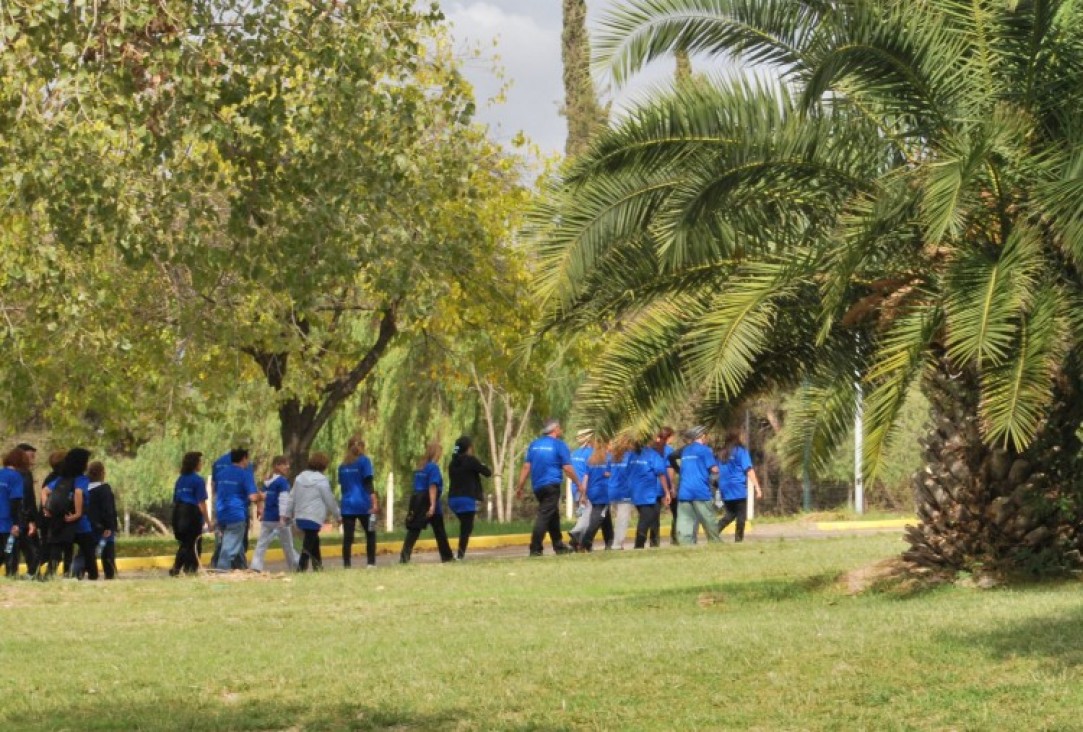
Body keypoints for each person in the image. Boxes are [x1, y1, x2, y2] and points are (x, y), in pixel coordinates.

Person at [515, 419, 583, 557]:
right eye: (560, 427)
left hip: (538, 487)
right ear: (555, 429)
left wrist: (519, 486)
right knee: (544, 515)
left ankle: (559, 546)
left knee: (553, 514)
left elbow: (527, 467)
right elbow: (567, 468)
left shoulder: (534, 444)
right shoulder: (559, 445)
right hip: (551, 485)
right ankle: (535, 547)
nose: (561, 430)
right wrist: (579, 483)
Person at [284, 452, 340, 572]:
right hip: (314, 517)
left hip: (300, 517)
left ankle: (318, 567)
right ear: (324, 466)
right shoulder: (322, 481)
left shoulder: (299, 478)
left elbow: (291, 497)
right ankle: (301, 568)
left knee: (314, 540)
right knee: (307, 546)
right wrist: (338, 516)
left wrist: (287, 514)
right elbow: (330, 500)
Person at [41, 448, 93, 578]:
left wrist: (46, 508)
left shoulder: (60, 479)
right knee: (88, 550)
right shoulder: (82, 479)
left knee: (57, 550)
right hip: (79, 523)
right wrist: (78, 513)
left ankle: (49, 575)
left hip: (61, 521)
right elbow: (78, 492)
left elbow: (44, 491)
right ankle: (91, 575)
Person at [400, 441, 454, 564]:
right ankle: (447, 557)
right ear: (436, 453)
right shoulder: (433, 467)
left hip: (417, 501)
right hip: (429, 501)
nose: (440, 456)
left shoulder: (420, 467)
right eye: (439, 453)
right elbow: (432, 486)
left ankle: (404, 556)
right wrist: (432, 505)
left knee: (414, 530)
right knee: (440, 532)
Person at [668, 427, 722, 544]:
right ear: (702, 436)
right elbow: (714, 469)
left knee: (685, 520)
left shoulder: (685, 450)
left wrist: (678, 469)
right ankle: (715, 541)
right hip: (700, 490)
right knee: (708, 518)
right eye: (706, 436)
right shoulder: (705, 450)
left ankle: (685, 543)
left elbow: (671, 457)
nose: (707, 438)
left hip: (684, 490)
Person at [446, 435, 492, 560]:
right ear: (468, 448)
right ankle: (460, 555)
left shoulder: (452, 463)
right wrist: (481, 463)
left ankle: (458, 553)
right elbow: (487, 473)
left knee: (465, 525)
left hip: (453, 500)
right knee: (466, 528)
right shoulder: (471, 460)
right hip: (466, 499)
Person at [250, 456, 299, 572]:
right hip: (279, 519)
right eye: (284, 464)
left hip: (268, 519)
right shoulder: (282, 482)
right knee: (288, 545)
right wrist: (283, 518)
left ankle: (256, 566)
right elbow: (283, 500)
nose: (288, 467)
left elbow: (262, 497)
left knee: (262, 543)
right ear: (277, 466)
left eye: (287, 464)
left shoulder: (268, 483)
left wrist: (261, 510)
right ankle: (296, 565)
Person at [214, 448, 259, 570]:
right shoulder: (245, 474)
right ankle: (221, 571)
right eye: (247, 459)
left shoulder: (221, 474)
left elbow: (216, 491)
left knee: (236, 544)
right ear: (244, 458)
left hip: (221, 513)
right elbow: (253, 497)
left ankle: (243, 569)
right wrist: (262, 496)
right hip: (236, 514)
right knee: (229, 547)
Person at [338, 436, 378, 569]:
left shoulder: (342, 465)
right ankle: (371, 563)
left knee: (348, 537)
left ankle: (347, 565)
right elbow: (368, 483)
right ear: (362, 447)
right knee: (371, 532)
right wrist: (374, 503)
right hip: (364, 505)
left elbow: (343, 486)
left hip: (347, 505)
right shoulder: (365, 461)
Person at [716, 430, 763, 543]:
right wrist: (757, 487)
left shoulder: (721, 454)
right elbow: (749, 470)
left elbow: (715, 469)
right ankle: (738, 539)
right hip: (738, 488)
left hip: (725, 488)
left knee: (730, 514)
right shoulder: (741, 452)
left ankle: (714, 531)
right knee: (741, 516)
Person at [170, 451, 212, 576]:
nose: (201, 464)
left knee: (185, 543)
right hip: (191, 513)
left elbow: (176, 499)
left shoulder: (180, 480)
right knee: (194, 544)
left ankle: (177, 568)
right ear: (195, 464)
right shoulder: (198, 480)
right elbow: (201, 503)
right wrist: (208, 521)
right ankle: (189, 569)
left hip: (178, 512)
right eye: (200, 462)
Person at [572, 436, 614, 552]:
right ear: (606, 445)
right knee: (597, 518)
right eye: (611, 444)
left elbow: (586, 478)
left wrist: (584, 495)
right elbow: (610, 474)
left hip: (592, 492)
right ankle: (584, 542)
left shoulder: (591, 459)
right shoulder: (608, 458)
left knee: (606, 516)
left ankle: (610, 541)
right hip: (603, 493)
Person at [629, 439, 670, 549]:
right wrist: (667, 492)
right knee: (647, 518)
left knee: (648, 517)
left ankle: (653, 543)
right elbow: (661, 474)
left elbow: (627, 471)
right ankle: (639, 545)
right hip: (647, 493)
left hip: (635, 492)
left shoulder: (632, 455)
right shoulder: (652, 455)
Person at [86, 461, 119, 580]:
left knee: (88, 552)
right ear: (102, 473)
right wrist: (111, 526)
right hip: (104, 527)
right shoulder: (104, 489)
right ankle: (110, 574)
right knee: (107, 553)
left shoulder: (84, 489)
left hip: (89, 526)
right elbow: (108, 509)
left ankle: (89, 573)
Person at [12, 443, 40, 577]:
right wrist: (31, 520)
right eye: (30, 456)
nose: (32, 460)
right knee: (31, 549)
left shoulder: (16, 472)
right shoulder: (23, 474)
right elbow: (26, 499)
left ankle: (24, 573)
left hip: (17, 517)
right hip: (23, 518)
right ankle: (31, 574)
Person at [0, 448, 27, 577]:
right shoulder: (16, 477)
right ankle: (11, 575)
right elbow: (15, 501)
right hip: (7, 521)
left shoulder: (1, 473)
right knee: (10, 551)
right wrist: (16, 523)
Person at [566, 430, 594, 551]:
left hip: (575, 488)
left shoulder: (573, 454)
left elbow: (568, 472)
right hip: (587, 489)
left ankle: (579, 545)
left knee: (583, 514)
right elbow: (591, 473)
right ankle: (576, 533)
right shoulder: (591, 453)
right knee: (587, 516)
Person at [607, 437, 634, 550]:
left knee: (609, 518)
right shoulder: (630, 456)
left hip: (611, 490)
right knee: (622, 519)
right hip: (625, 491)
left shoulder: (610, 457)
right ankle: (617, 544)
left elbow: (607, 473)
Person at [652, 427, 677, 546]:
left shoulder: (651, 449)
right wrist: (672, 486)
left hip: (652, 487)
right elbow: (669, 469)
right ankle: (675, 538)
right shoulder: (669, 450)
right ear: (669, 437)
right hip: (664, 485)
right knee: (677, 513)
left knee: (654, 516)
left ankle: (654, 542)